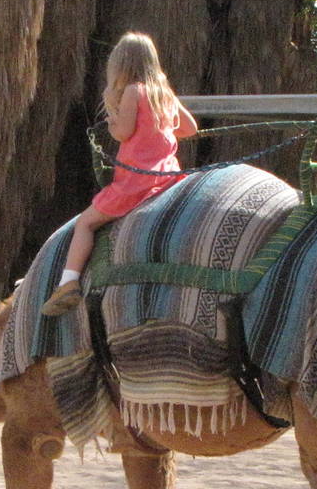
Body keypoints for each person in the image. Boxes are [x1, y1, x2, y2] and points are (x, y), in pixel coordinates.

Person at [41, 32, 199, 317]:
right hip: (168, 176)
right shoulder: (163, 92)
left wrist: (113, 119)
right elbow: (189, 129)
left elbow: (122, 132)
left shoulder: (133, 92)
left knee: (86, 224)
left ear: (121, 65)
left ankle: (68, 282)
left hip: (136, 181)